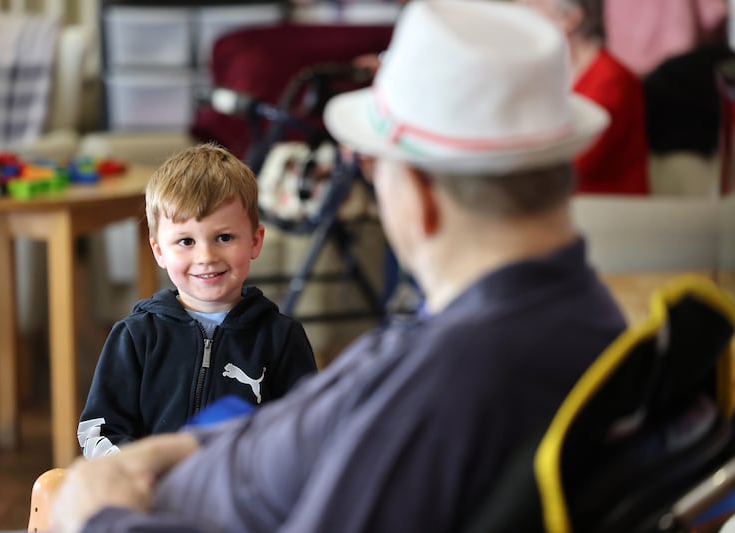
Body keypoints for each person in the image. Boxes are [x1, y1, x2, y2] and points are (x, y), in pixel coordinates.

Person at [51, 1, 627, 531]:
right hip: (190, 471)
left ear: (420, 198)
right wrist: (168, 451)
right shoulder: (586, 321)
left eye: (378, 171)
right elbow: (310, 419)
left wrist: (102, 517)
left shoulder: (442, 386)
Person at [77, 142, 317, 458]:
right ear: (159, 251)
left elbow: (308, 433)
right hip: (155, 496)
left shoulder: (281, 338)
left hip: (239, 498)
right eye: (186, 241)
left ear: (255, 241)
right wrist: (138, 469)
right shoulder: (136, 336)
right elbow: (99, 430)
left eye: (224, 237)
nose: (206, 257)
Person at [518, 0, 649, 195]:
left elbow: (571, 164)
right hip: (565, 205)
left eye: (530, 5)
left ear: (568, 18)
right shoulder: (551, 74)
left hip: (608, 211)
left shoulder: (610, 80)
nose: (518, 14)